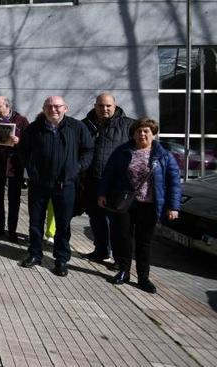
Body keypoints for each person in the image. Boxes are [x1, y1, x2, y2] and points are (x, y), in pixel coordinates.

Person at [99, 118, 180, 293]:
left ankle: (143, 277)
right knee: (123, 238)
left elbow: (174, 182)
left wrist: (173, 206)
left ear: (153, 134)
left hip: (149, 205)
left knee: (144, 242)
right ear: (133, 134)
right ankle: (124, 271)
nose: (142, 134)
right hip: (125, 203)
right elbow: (108, 174)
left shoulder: (164, 155)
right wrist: (102, 194)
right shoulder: (122, 151)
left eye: (146, 131)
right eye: (139, 131)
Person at [17, 97, 94, 276]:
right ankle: (35, 253)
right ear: (44, 109)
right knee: (35, 222)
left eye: (57, 106)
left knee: (63, 223)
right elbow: (22, 151)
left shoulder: (76, 127)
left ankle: (61, 259)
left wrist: (79, 167)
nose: (54, 109)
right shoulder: (33, 128)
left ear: (65, 108)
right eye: (49, 106)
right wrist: (31, 169)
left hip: (65, 184)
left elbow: (88, 149)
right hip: (39, 184)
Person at [81, 93, 134, 264]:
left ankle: (120, 259)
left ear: (115, 106)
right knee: (96, 219)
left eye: (108, 106)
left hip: (117, 184)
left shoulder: (128, 125)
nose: (104, 109)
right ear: (95, 106)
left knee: (117, 224)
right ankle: (101, 251)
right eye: (101, 105)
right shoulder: (85, 125)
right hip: (92, 180)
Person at [0, 96, 29, 242]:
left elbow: (30, 142)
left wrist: (19, 141)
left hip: (14, 166)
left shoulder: (21, 120)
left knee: (14, 200)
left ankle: (12, 231)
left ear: (7, 106)